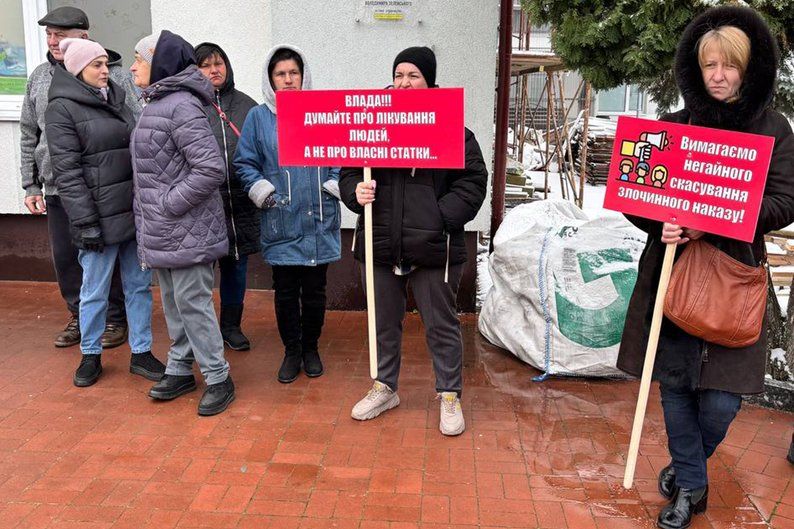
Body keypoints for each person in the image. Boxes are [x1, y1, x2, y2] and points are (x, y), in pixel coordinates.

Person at [616, 7, 794, 529]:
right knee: (674, 384)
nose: (718, 75)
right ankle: (692, 489)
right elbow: (637, 194)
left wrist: (709, 221)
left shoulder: (774, 129)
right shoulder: (673, 126)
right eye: (709, 64)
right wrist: (660, 222)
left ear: (749, 68)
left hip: (735, 280)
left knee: (720, 402)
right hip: (673, 273)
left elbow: (784, 201)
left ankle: (687, 464)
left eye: (729, 65)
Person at [338, 46, 488, 436]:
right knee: (384, 322)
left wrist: (441, 217)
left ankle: (449, 393)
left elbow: (473, 181)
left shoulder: (453, 128)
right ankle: (385, 387)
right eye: (399, 74)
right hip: (382, 243)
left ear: (429, 81)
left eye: (413, 75)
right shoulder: (372, 123)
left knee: (441, 324)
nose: (404, 82)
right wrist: (356, 190)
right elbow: (349, 170)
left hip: (435, 249)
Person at [44, 39, 165, 387]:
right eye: (97, 65)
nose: (104, 71)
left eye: (105, 64)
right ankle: (91, 355)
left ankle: (141, 353)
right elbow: (67, 173)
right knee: (94, 290)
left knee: (138, 287)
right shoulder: (62, 109)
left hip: (131, 212)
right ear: (79, 68)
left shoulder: (117, 99)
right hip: (96, 218)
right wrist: (85, 223)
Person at [20, 6, 140, 349]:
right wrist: (31, 184)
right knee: (67, 258)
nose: (53, 41)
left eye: (61, 34)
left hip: (107, 187)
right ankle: (79, 315)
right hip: (59, 187)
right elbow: (30, 133)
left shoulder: (114, 76)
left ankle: (115, 319)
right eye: (48, 34)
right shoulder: (40, 77)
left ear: (84, 37)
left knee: (108, 252)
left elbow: (136, 123)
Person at [130, 30, 235, 416]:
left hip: (184, 226)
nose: (132, 66)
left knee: (192, 303)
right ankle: (179, 368)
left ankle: (219, 377)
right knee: (175, 304)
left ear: (158, 62)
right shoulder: (158, 103)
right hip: (164, 229)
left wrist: (170, 204)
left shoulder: (181, 106)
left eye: (138, 59)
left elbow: (209, 168)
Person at [235, 45, 341, 383]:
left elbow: (341, 154)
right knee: (285, 291)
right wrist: (264, 193)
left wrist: (333, 183)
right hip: (281, 216)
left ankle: (311, 348)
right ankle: (291, 350)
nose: (288, 79)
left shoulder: (322, 112)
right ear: (271, 79)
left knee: (314, 291)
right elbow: (245, 163)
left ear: (303, 75)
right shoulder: (258, 117)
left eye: (293, 72)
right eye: (281, 74)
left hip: (317, 217)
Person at [194, 42, 260, 351]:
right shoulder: (189, 105)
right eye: (206, 66)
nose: (214, 70)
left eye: (219, 63)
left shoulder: (247, 106)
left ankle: (231, 326)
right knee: (202, 271)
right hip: (205, 203)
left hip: (241, 202)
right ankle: (203, 331)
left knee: (237, 266)